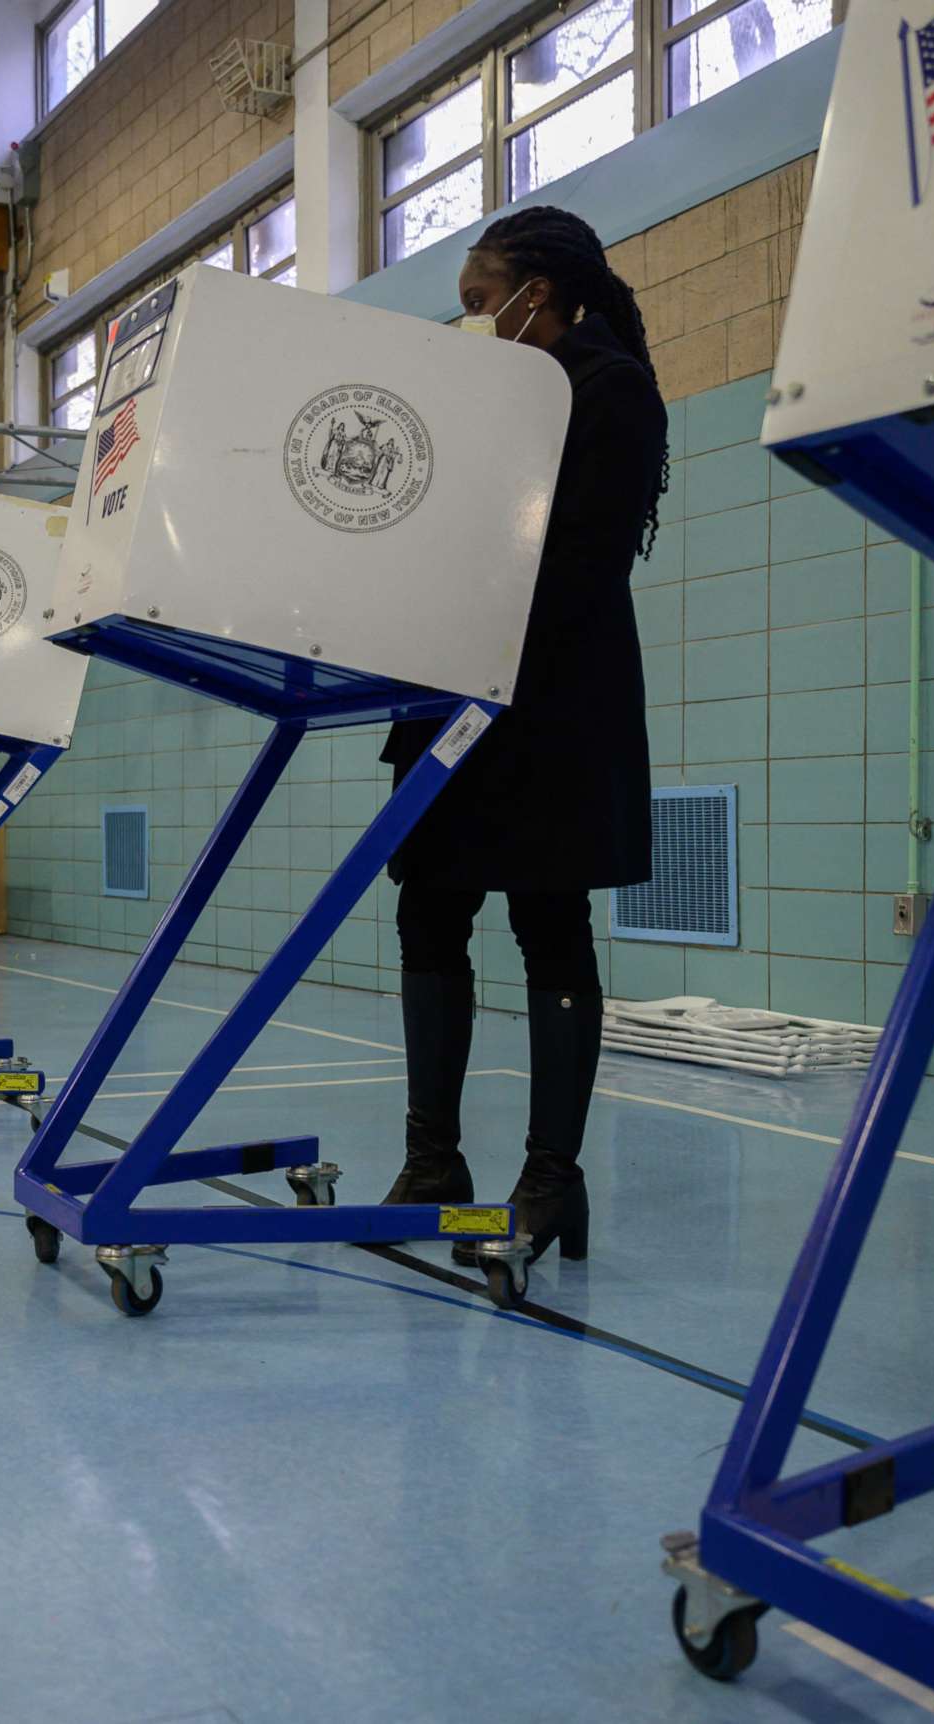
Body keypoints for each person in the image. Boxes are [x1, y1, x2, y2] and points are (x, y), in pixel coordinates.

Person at [377, 206, 668, 1271]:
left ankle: (551, 1177)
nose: (470, 320)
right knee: (429, 908)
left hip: (551, 700)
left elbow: (581, 561)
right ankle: (433, 1160)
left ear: (533, 294)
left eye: (475, 300)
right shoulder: (486, 394)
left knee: (550, 918)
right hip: (455, 687)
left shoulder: (609, 390)